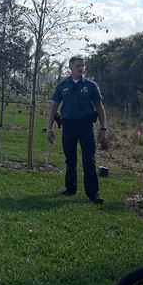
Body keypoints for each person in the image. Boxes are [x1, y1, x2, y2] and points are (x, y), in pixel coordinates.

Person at [47, 55, 107, 204]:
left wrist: (103, 128)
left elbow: (99, 107)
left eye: (82, 66)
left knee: (89, 159)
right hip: (68, 126)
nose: (81, 68)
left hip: (86, 126)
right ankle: (70, 188)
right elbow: (54, 107)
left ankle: (92, 193)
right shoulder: (62, 85)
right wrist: (49, 129)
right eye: (78, 66)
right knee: (70, 158)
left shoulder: (91, 85)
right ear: (71, 67)